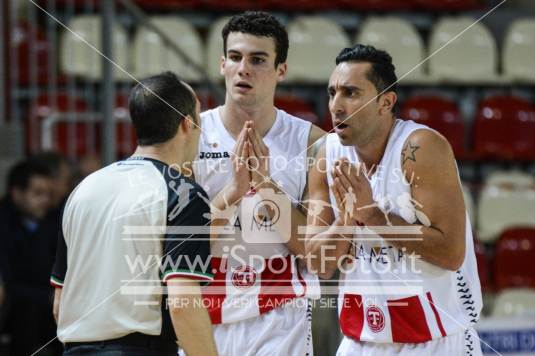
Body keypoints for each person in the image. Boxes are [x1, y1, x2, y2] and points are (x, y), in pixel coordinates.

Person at [305, 44, 483, 356]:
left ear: (385, 102)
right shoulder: (326, 154)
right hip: (362, 341)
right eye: (332, 92)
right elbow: (318, 264)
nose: (336, 105)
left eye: (351, 93)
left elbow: (451, 252)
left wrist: (373, 216)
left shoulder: (420, 148)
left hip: (436, 340)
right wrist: (347, 220)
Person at [50, 72, 218, 356]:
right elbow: (182, 305)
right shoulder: (184, 194)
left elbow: (60, 303)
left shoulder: (84, 189)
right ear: (187, 124)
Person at [191, 11, 325, 356]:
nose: (244, 68)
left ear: (281, 70)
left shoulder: (313, 142)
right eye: (235, 57)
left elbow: (314, 253)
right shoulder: (190, 137)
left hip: (281, 315)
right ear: (222, 64)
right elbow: (179, 246)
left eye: (258, 59)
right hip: (204, 312)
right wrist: (232, 193)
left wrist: (265, 186)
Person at [0, 158, 60, 355]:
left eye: (48, 194)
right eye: (37, 193)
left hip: (48, 303)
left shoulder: (53, 220)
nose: (45, 200)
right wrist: (48, 296)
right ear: (17, 194)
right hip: (16, 308)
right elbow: (8, 282)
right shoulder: (4, 224)